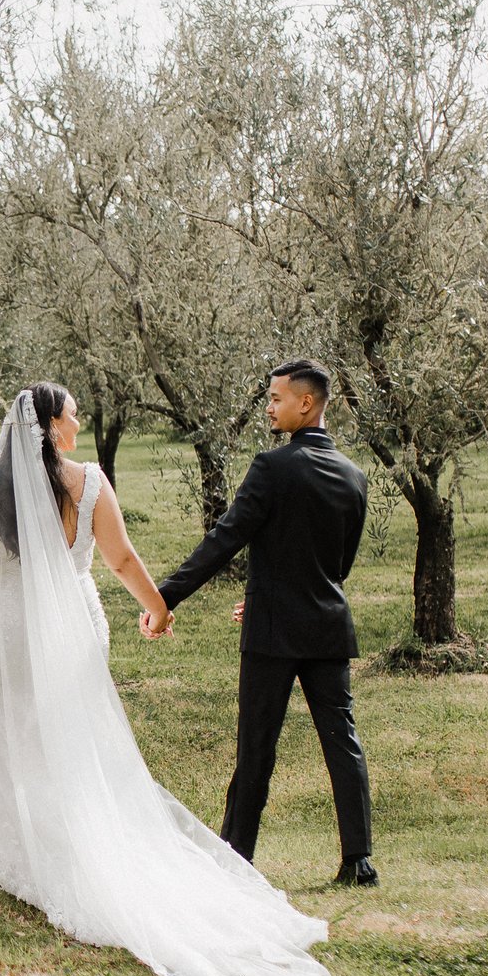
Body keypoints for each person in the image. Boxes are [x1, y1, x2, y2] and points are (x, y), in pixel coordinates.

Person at [0, 381, 329, 976]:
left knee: (26, 732)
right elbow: (122, 560)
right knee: (76, 736)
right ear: (52, 426)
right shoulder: (92, 482)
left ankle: (31, 853)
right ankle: (77, 846)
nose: (78, 422)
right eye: (72, 414)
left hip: (18, 629)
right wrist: (158, 609)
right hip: (75, 626)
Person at [154, 359, 377, 885]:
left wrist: (164, 598)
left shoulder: (271, 467)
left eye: (276, 398)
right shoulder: (355, 476)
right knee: (341, 742)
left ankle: (236, 860)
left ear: (306, 403)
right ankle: (358, 860)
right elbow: (336, 567)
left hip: (274, 633)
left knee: (256, 746)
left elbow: (224, 539)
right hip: (326, 627)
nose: (269, 407)